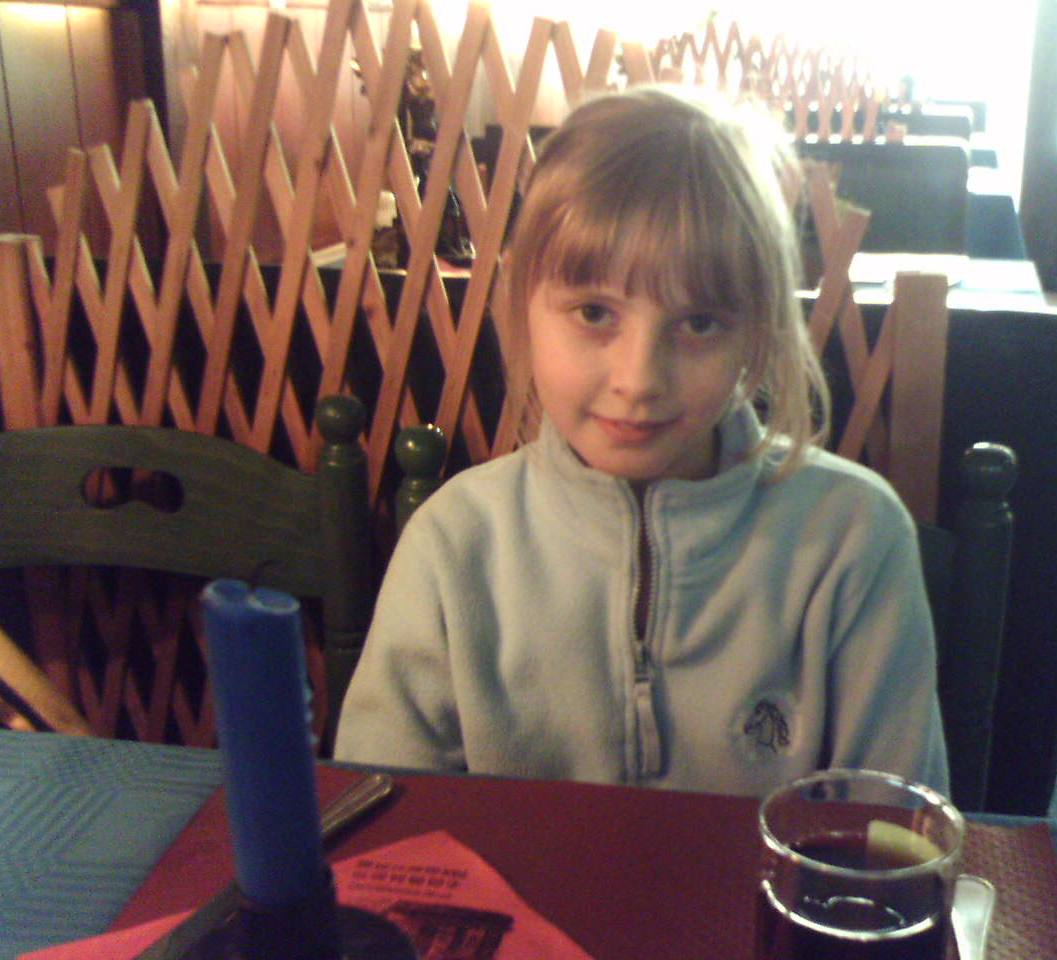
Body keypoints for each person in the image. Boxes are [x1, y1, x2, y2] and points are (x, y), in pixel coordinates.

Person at [334, 85, 949, 798]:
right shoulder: (454, 545)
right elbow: (382, 819)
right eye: (595, 313)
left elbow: (889, 827)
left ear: (758, 331)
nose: (639, 380)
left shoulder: (854, 539)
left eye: (699, 324)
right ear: (523, 305)